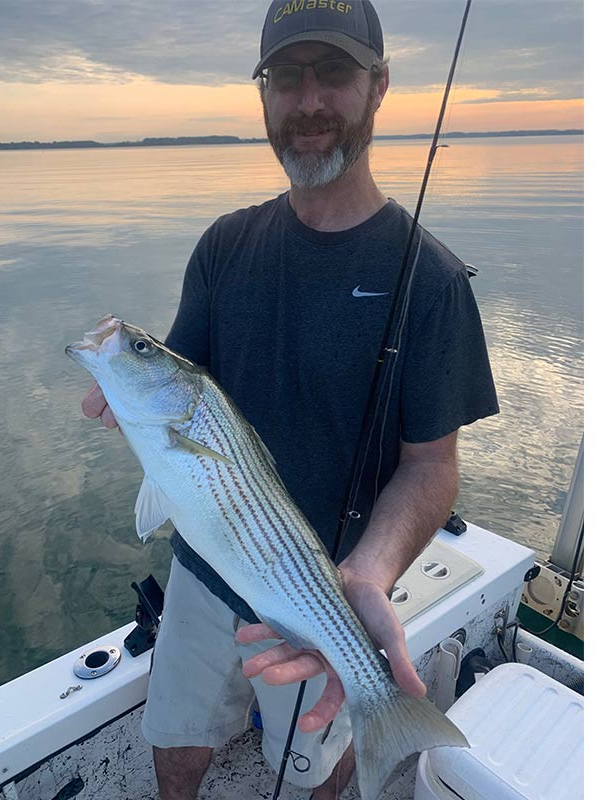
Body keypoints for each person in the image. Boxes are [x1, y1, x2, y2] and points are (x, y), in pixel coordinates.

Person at [82, 1, 499, 797]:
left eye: (334, 74)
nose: (308, 102)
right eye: (286, 77)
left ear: (378, 87)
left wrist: (368, 575)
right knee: (173, 739)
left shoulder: (434, 283)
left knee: (317, 769)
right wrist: (122, 397)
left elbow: (432, 465)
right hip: (203, 571)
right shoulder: (223, 246)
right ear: (263, 94)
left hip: (326, 594)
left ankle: (375, 743)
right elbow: (185, 389)